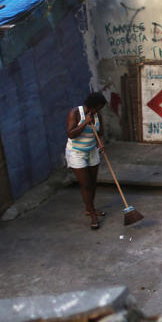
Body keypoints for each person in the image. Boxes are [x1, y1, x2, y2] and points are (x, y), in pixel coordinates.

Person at [65, 92, 108, 230]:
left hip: (92, 151)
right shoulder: (75, 113)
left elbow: (100, 134)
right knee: (86, 185)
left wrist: (101, 144)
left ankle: (90, 209)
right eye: (97, 108)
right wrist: (84, 122)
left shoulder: (97, 115)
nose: (98, 111)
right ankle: (93, 215)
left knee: (93, 183)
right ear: (91, 105)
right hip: (76, 153)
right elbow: (71, 134)